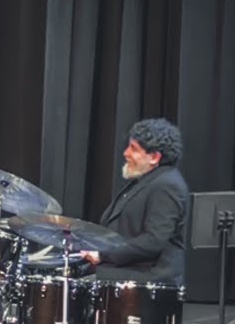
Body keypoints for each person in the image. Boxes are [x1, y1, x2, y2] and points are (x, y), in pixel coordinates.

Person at [80, 117, 189, 286]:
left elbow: (154, 240)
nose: (126, 153)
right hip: (128, 269)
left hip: (149, 276)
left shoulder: (166, 185)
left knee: (76, 285)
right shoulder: (147, 180)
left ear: (154, 157)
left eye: (134, 149)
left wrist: (103, 254)